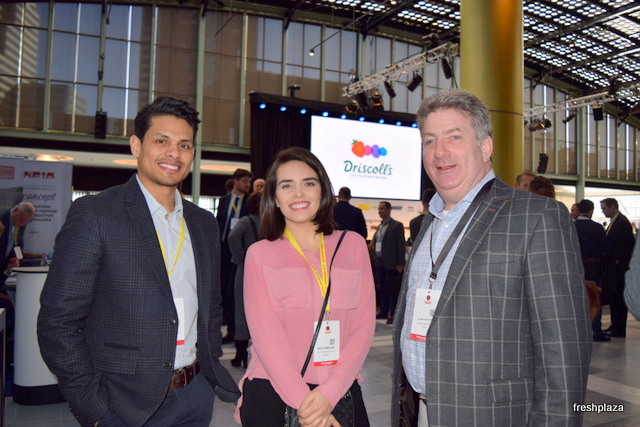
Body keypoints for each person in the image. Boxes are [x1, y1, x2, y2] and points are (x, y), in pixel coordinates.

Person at [392, 89, 591, 426]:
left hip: (493, 415)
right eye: (429, 141)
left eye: (454, 137)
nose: (439, 152)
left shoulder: (537, 217)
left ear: (485, 146)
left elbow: (563, 348)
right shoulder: (428, 223)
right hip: (419, 409)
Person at [37, 97, 240, 427]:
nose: (174, 153)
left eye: (184, 145)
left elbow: (212, 305)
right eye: (161, 141)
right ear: (136, 145)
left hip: (196, 395)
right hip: (124, 404)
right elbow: (58, 322)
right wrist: (96, 411)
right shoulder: (96, 214)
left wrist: (210, 363)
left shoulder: (203, 223)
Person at [236, 147, 375, 427]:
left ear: (322, 191)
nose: (298, 193)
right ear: (275, 198)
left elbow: (363, 327)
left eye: (308, 183)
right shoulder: (260, 254)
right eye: (287, 185)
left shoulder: (353, 245)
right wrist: (307, 404)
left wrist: (328, 395)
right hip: (274, 392)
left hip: (340, 390)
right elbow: (266, 339)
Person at [217, 167, 253, 343]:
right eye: (245, 181)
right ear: (236, 181)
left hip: (240, 252)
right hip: (223, 250)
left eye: (249, 182)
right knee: (224, 291)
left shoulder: (249, 202)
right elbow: (219, 223)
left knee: (235, 292)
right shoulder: (224, 201)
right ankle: (230, 329)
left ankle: (237, 332)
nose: (248, 185)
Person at [228, 192, 263, 369]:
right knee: (262, 313)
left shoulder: (245, 221)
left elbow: (232, 236)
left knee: (241, 311)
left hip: (245, 270)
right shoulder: (270, 223)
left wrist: (239, 255)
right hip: (265, 271)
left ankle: (240, 354)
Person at [574, 199, 609, 341]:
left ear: (579, 210)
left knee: (576, 300)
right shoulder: (597, 228)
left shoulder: (572, 226)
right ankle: (596, 330)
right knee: (595, 299)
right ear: (591, 210)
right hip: (594, 268)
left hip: (576, 268)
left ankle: (578, 331)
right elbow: (605, 249)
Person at [600, 197, 635, 337]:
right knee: (614, 298)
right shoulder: (616, 222)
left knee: (618, 298)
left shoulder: (622, 223)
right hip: (614, 267)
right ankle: (615, 325)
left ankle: (618, 328)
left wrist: (618, 261)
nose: (603, 211)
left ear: (613, 206)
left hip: (618, 268)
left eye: (605, 208)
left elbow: (625, 245)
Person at [369, 201, 405, 324]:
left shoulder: (397, 225)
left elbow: (401, 245)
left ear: (389, 209)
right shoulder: (380, 226)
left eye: (382, 208)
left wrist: (401, 263)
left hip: (392, 263)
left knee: (392, 290)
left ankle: (393, 314)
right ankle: (383, 311)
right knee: (382, 288)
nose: (380, 211)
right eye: (379, 209)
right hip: (379, 261)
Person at [1, 201, 36, 280]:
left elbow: (18, 243)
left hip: (5, 267)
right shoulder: (2, 220)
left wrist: (16, 258)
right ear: (15, 210)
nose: (21, 223)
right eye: (20, 219)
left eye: (26, 222)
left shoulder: (21, 223)